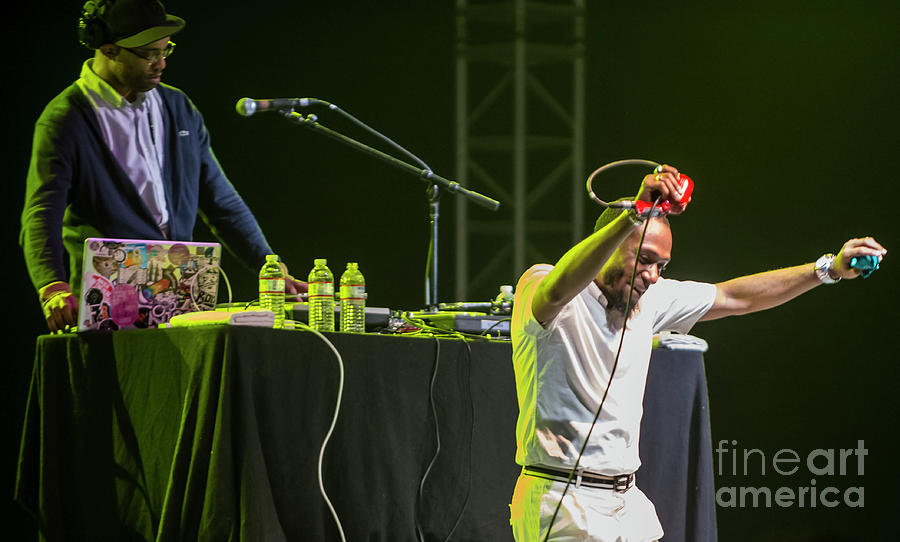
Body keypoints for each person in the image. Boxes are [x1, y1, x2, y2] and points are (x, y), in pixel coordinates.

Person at [508, 164, 886, 542]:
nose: (653, 275)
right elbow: (557, 290)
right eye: (644, 260)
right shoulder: (543, 284)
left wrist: (828, 270)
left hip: (625, 499)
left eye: (662, 265)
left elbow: (733, 296)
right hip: (562, 498)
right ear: (611, 242)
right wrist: (635, 211)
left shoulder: (651, 301)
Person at [20, 0, 305, 333]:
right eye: (148, 54)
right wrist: (51, 285)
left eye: (165, 49)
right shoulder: (66, 118)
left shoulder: (177, 106)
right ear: (109, 50)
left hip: (180, 298)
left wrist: (269, 266)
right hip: (110, 308)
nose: (162, 63)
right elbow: (41, 212)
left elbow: (222, 202)